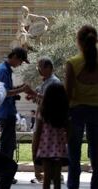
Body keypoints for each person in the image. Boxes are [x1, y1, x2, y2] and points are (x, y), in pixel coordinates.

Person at [65, 25, 98, 189]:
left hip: (76, 112)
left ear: (79, 42)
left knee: (73, 157)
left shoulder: (72, 63)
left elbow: (68, 95)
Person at [0, 47, 33, 184]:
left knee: (7, 144)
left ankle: (2, 174)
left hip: (6, 111)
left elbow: (8, 90)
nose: (20, 64)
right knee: (7, 146)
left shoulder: (3, 68)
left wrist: (19, 87)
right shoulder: (3, 70)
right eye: (21, 61)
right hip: (5, 112)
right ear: (15, 56)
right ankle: (3, 175)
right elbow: (4, 93)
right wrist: (21, 89)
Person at [26, 57, 61, 184]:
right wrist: (34, 96)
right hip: (41, 119)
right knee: (38, 147)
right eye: (39, 67)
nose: (39, 70)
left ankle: (47, 175)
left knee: (45, 148)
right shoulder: (45, 82)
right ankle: (43, 174)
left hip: (49, 122)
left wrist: (35, 94)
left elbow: (52, 100)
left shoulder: (55, 83)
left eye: (41, 67)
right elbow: (41, 99)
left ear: (49, 68)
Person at [32, 83, 69, 189]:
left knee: (47, 177)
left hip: (45, 149)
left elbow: (38, 133)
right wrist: (67, 141)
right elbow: (69, 130)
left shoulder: (43, 113)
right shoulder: (64, 113)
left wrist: (35, 150)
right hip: (59, 148)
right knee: (57, 177)